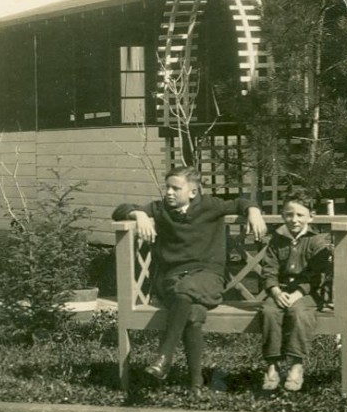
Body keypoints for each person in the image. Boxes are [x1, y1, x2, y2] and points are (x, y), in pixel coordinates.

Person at [112, 166, 267, 393]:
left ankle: (164, 357)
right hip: (173, 278)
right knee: (193, 313)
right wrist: (140, 215)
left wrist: (253, 211)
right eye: (167, 187)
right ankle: (196, 383)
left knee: (185, 290)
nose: (169, 193)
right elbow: (120, 210)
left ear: (193, 192)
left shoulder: (209, 206)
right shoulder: (161, 208)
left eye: (176, 188)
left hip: (208, 277)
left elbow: (239, 203)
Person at [259, 192, 332, 392]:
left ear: (311, 216)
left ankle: (296, 365)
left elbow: (318, 274)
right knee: (269, 312)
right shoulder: (277, 239)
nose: (294, 220)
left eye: (300, 215)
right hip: (281, 291)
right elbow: (269, 270)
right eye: (289, 214)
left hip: (307, 293)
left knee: (298, 313)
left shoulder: (317, 240)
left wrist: (299, 293)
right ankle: (272, 366)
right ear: (283, 216)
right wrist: (274, 291)